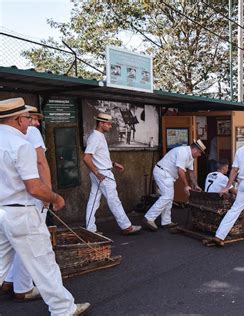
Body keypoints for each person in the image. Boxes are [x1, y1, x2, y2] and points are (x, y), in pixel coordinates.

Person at [0, 97, 90, 315]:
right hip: (20, 211)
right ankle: (63, 309)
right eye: (28, 118)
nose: (30, 123)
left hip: (1, 211)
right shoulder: (20, 145)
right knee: (44, 263)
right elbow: (34, 187)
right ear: (19, 119)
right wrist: (55, 197)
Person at [2, 106, 54, 302]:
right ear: (19, 119)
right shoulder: (28, 134)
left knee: (11, 246)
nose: (36, 123)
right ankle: (23, 287)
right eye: (32, 118)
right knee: (34, 247)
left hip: (4, 205)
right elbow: (41, 162)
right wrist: (48, 195)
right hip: (27, 198)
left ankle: (10, 280)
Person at [83, 113, 141, 235]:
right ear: (100, 123)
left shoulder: (99, 136)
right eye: (108, 124)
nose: (110, 126)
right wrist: (97, 172)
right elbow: (86, 158)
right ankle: (126, 226)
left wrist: (114, 163)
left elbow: (100, 157)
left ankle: (90, 229)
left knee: (93, 201)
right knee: (114, 200)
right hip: (103, 174)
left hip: (101, 172)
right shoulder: (95, 138)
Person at [142, 140, 206, 231]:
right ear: (195, 150)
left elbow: (191, 172)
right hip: (163, 172)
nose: (199, 155)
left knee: (169, 197)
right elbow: (180, 170)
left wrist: (195, 185)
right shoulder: (183, 152)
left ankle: (166, 221)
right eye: (200, 153)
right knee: (167, 196)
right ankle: (149, 218)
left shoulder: (191, 157)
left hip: (167, 174)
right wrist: (186, 186)